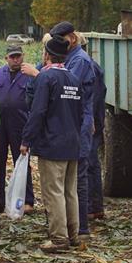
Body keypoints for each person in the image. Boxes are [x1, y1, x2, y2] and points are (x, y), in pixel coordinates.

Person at [20, 35, 84, 252]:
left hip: (52, 144)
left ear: (47, 55)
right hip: (72, 143)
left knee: (53, 192)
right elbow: (80, 114)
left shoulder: (46, 79)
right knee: (70, 192)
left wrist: (26, 139)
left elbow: (37, 111)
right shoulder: (74, 79)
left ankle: (58, 238)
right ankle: (73, 235)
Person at [48, 20, 98, 237]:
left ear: (73, 38)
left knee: (77, 177)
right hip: (75, 120)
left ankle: (81, 226)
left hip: (79, 122)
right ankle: (72, 226)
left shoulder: (79, 61)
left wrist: (38, 76)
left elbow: (66, 87)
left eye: (62, 40)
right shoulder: (71, 58)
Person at [0, 45, 35, 215]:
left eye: (18, 56)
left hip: (20, 124)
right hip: (0, 125)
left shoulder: (29, 74)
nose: (16, 60)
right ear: (6, 58)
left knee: (23, 161)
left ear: (23, 56)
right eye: (12, 57)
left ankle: (27, 201)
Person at [79, 33, 107, 223]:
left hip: (92, 122)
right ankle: (95, 206)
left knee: (89, 162)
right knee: (91, 162)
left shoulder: (89, 67)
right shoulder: (90, 64)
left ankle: (93, 207)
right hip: (93, 119)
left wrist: (92, 122)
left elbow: (94, 97)